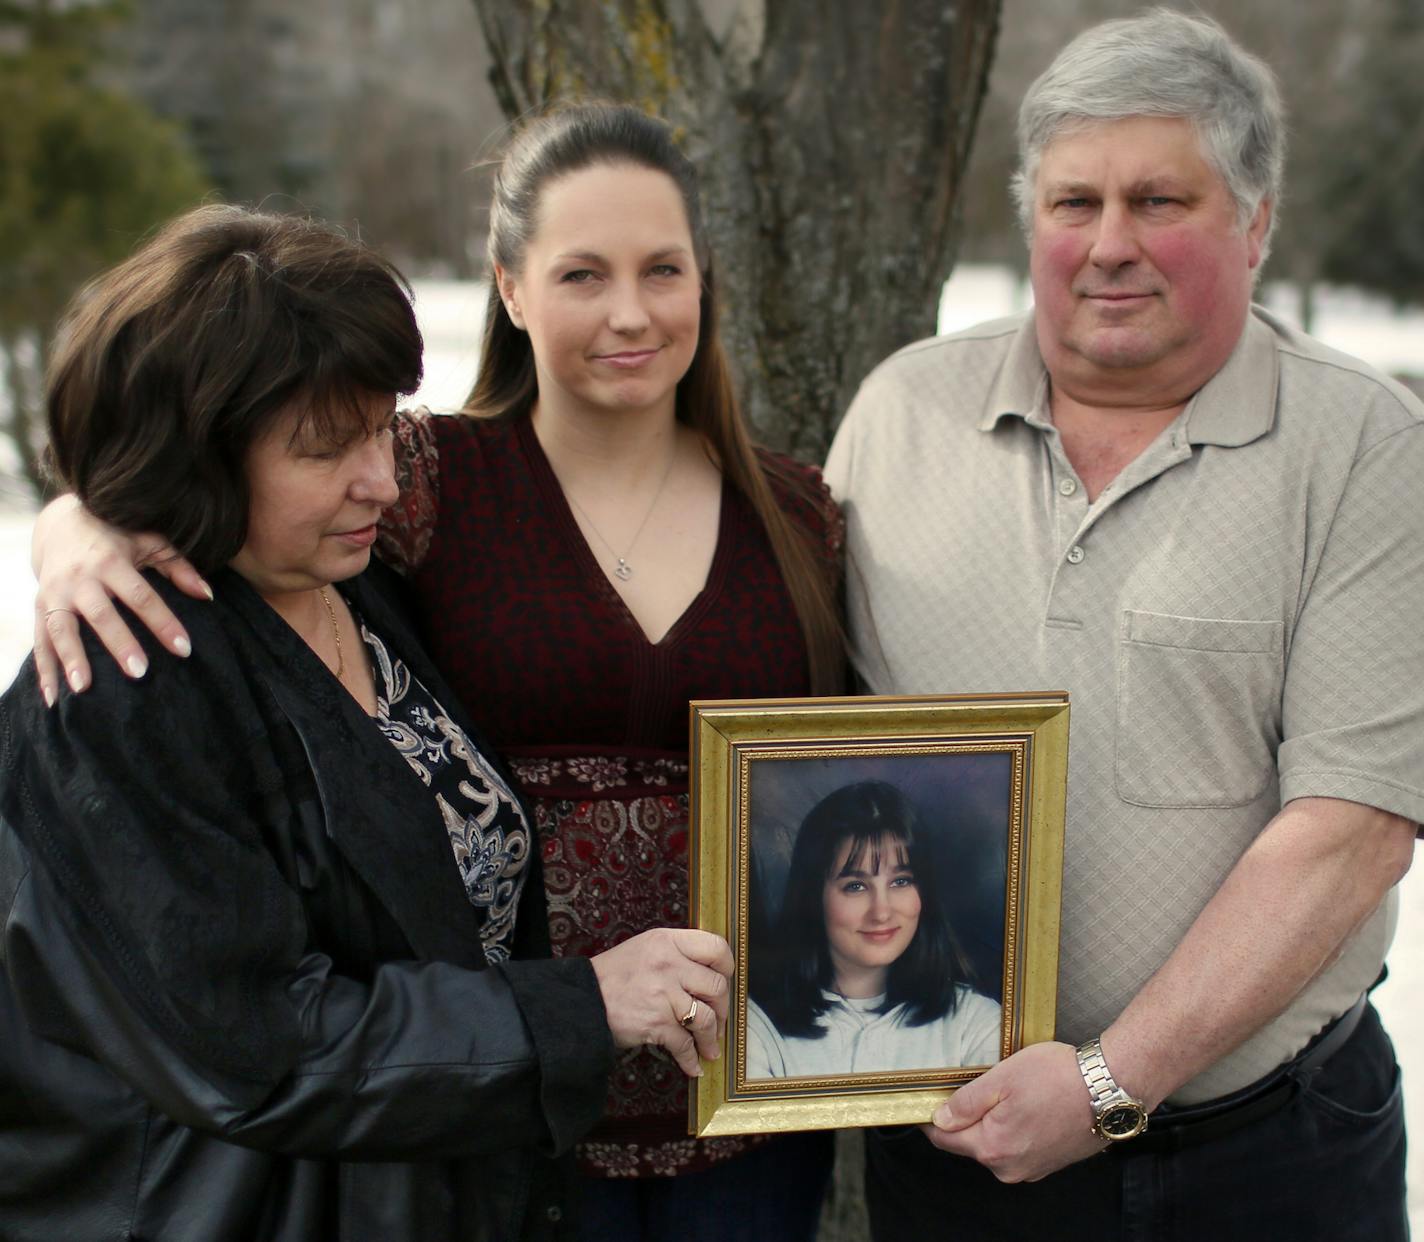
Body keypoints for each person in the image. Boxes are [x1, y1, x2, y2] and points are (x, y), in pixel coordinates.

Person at [28, 105, 842, 1240]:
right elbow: (260, 1042)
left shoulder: (352, 590)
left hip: (525, 1160)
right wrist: (81, 523)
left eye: (380, 432)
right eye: (330, 448)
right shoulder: (133, 676)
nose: (375, 477)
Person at [823, 9, 1422, 1240]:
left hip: (1268, 1158)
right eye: (1070, 202)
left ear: (1253, 222)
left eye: (1158, 201)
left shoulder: (1361, 447)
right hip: (957, 1161)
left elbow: (1350, 829)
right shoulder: (896, 420)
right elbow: (810, 758)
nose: (1105, 246)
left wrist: (1103, 1085)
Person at [746, 780, 1001, 1078]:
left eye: (901, 881)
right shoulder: (756, 1026)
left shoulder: (976, 1024)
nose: (881, 912)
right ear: (813, 897)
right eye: (855, 886)